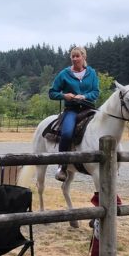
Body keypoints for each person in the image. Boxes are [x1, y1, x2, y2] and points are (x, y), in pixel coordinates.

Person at [48, 47, 100, 182]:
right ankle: (62, 166)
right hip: (71, 110)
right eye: (73, 56)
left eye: (77, 56)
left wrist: (85, 96)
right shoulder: (64, 74)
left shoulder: (92, 73)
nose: (75, 59)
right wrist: (64, 96)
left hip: (89, 108)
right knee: (66, 134)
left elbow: (95, 92)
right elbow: (52, 93)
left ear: (84, 57)